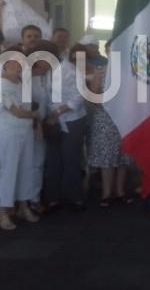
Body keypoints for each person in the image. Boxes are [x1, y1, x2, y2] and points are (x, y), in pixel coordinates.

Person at [0, 47, 41, 230]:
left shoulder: (21, 83)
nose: (20, 65)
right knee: (9, 170)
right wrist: (36, 115)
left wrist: (36, 120)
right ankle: (3, 213)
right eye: (15, 61)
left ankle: (23, 206)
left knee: (26, 169)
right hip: (9, 134)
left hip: (26, 133)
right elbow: (17, 112)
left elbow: (28, 111)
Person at [86, 49, 133, 208]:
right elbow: (92, 99)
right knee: (107, 156)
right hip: (105, 119)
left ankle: (120, 191)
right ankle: (106, 193)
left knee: (123, 156)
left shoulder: (130, 72)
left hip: (125, 119)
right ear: (107, 52)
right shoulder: (99, 71)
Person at [45, 44, 87, 212]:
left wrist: (59, 111)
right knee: (53, 159)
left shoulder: (69, 69)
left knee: (71, 158)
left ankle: (75, 196)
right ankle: (53, 197)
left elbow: (80, 95)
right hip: (52, 120)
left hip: (72, 119)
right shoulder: (47, 71)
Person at [26, 40, 58, 213]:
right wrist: (35, 122)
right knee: (25, 163)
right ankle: (19, 201)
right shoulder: (25, 75)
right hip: (26, 126)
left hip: (43, 126)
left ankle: (34, 199)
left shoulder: (49, 76)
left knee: (38, 163)